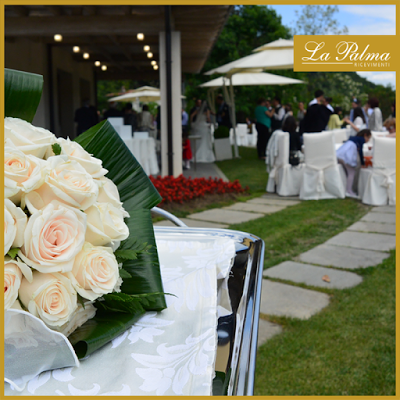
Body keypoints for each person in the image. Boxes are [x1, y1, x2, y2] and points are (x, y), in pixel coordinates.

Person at [336, 129, 372, 198]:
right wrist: (362, 163)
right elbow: (360, 151)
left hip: (340, 153)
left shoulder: (353, 138)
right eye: (368, 138)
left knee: (347, 172)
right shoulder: (361, 139)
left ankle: (346, 188)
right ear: (365, 135)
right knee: (351, 172)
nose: (368, 140)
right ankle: (349, 190)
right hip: (346, 155)